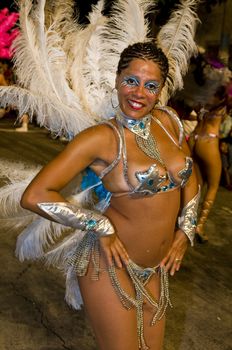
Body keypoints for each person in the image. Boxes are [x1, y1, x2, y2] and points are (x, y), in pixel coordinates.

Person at [20, 42, 199, 350]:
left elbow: (190, 176)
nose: (139, 93)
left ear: (161, 90)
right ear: (116, 80)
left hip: (155, 268)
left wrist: (186, 230)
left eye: (150, 85)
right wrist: (98, 226)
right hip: (108, 265)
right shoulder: (101, 139)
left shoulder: (169, 122)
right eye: (131, 80)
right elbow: (34, 195)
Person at [188, 86, 227, 243]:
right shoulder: (224, 102)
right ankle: (199, 226)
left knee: (197, 184)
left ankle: (187, 222)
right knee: (213, 186)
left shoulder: (203, 99)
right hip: (209, 141)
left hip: (195, 137)